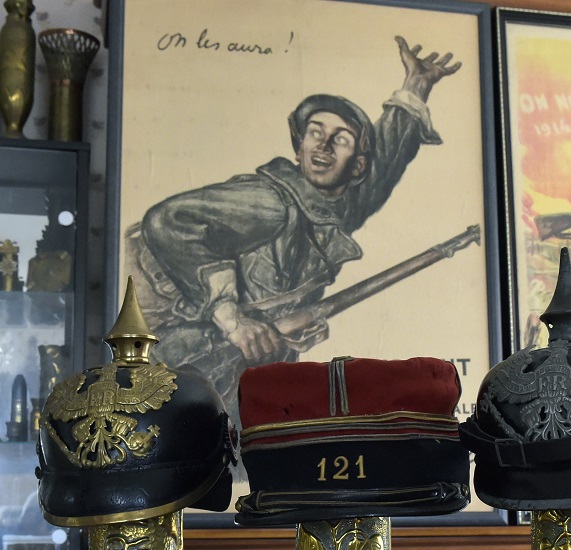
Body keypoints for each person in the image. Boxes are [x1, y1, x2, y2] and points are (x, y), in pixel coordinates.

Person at [127, 36, 460, 418]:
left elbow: (384, 161)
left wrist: (417, 84)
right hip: (194, 364)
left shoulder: (336, 203)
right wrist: (233, 320)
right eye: (315, 132)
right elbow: (169, 221)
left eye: (341, 139)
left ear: (358, 165)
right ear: (299, 145)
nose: (323, 147)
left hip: (255, 372)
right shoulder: (271, 202)